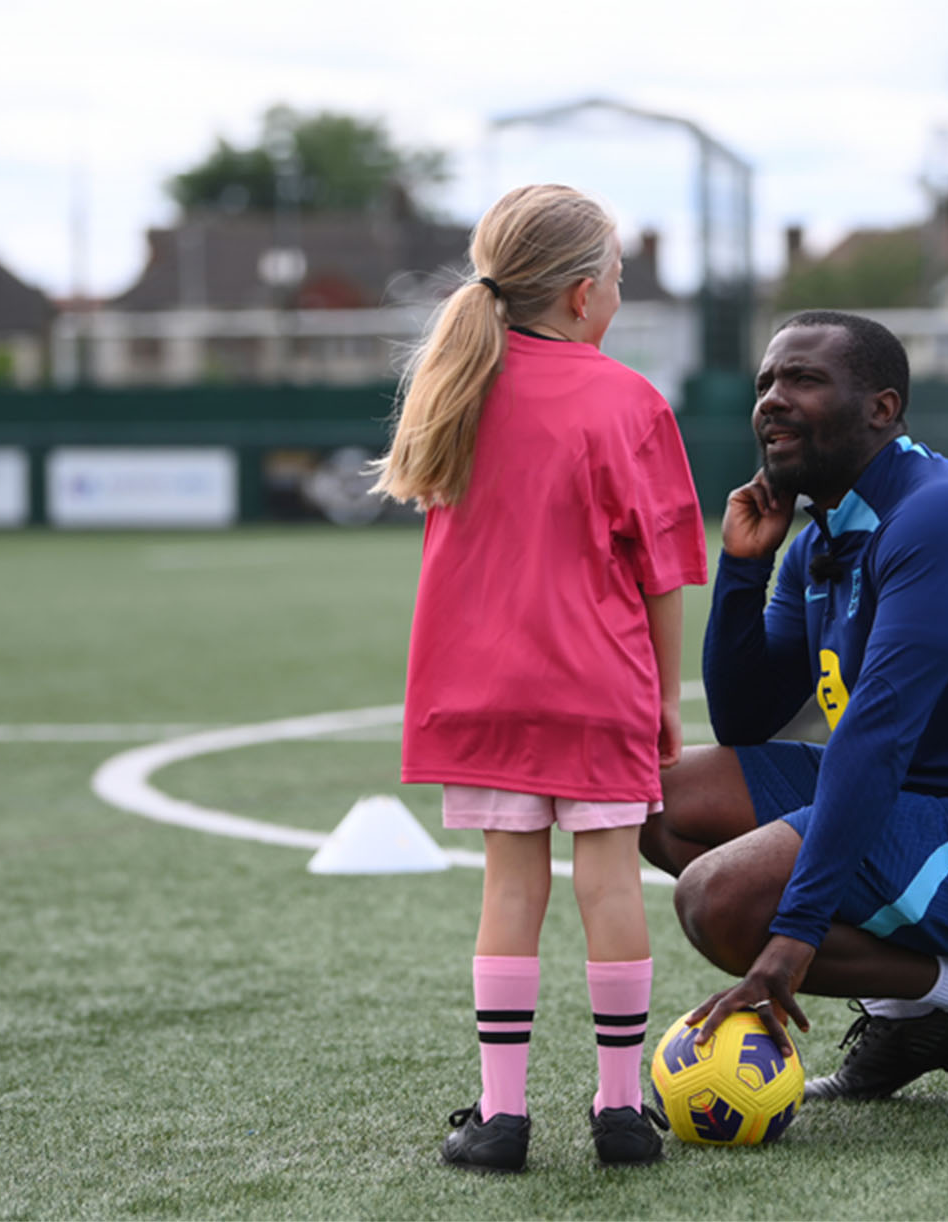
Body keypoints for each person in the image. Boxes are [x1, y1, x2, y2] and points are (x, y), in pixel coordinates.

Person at [642, 310, 948, 1121]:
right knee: (656, 805)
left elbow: (879, 734)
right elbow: (747, 720)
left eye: (803, 380)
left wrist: (793, 937)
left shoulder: (943, 515)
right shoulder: (821, 538)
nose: (772, 400)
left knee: (718, 904)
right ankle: (913, 1017)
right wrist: (740, 569)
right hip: (916, 802)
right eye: (765, 383)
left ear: (882, 408)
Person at [376, 184, 705, 1173]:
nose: (617, 291)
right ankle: (618, 1111)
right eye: (614, 275)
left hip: (482, 692)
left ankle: (503, 1115)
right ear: (578, 294)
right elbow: (660, 576)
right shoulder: (632, 401)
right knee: (609, 882)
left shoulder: (453, 387)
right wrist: (665, 700)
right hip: (596, 683)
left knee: (508, 889)